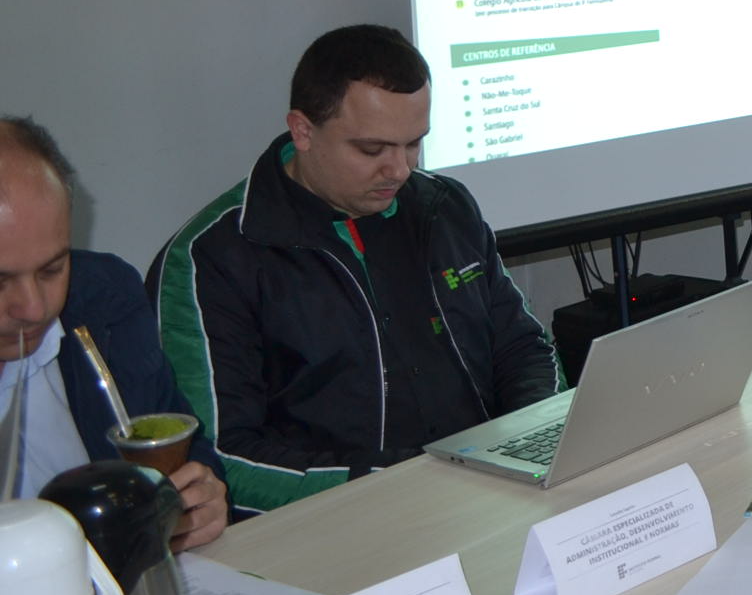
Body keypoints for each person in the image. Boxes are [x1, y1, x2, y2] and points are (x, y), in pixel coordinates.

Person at [149, 25, 561, 516]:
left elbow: (522, 348)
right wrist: (406, 482)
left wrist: (539, 436)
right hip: (338, 522)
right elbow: (223, 462)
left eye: (414, 144)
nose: (400, 170)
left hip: (486, 497)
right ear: (303, 131)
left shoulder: (443, 206)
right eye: (372, 150)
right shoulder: (212, 258)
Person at [0, 116, 229, 548]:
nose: (33, 308)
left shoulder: (104, 298)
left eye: (52, 269)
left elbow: (176, 444)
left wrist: (201, 498)